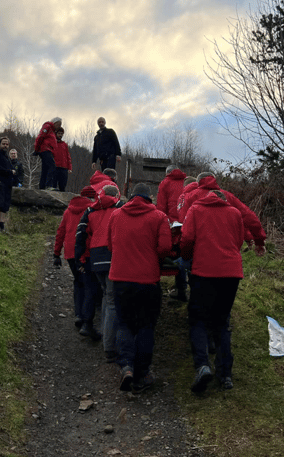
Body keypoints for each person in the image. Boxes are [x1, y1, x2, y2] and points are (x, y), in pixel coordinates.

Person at [180, 190, 250, 392]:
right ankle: (226, 375)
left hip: (204, 271)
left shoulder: (196, 209)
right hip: (231, 273)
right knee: (222, 321)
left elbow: (187, 239)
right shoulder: (235, 213)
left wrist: (187, 257)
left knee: (198, 319)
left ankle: (202, 365)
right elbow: (238, 241)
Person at [107, 183, 172, 393]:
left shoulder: (116, 215)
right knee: (145, 326)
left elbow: (110, 245)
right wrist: (153, 258)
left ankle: (126, 366)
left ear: (131, 196)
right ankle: (142, 373)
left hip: (120, 278)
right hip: (147, 280)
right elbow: (165, 247)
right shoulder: (159, 217)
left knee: (125, 323)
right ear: (149, 198)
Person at [75, 184, 123, 362]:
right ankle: (109, 344)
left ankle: (104, 330)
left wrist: (81, 257)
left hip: (95, 257)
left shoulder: (91, 210)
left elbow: (80, 234)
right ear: (116, 195)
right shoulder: (119, 208)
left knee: (105, 295)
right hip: (112, 255)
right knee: (112, 300)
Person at [179, 173, 267, 256]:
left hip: (199, 249)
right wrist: (259, 241)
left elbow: (184, 225)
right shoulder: (227, 196)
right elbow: (249, 218)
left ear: (197, 183)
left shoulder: (189, 197)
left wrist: (185, 252)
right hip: (228, 248)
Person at [54, 186, 97, 329]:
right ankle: (86, 317)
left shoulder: (68, 211)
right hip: (85, 252)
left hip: (70, 253)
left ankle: (78, 314)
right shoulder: (92, 210)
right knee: (88, 284)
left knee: (78, 282)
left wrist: (56, 253)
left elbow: (61, 232)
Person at [156, 165, 189, 300]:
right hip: (186, 223)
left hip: (171, 225)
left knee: (165, 252)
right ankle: (181, 289)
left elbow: (161, 206)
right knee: (183, 254)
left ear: (167, 173)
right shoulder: (186, 181)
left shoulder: (165, 183)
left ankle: (155, 286)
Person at [34, 117, 62, 190]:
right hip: (45, 150)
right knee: (52, 166)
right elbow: (40, 136)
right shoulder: (47, 126)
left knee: (45, 168)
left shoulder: (52, 131)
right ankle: (48, 185)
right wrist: (36, 149)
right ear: (55, 123)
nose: (59, 127)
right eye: (59, 124)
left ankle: (42, 186)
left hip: (48, 150)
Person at [52, 127, 72, 192]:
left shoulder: (64, 145)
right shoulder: (52, 143)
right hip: (55, 167)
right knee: (53, 186)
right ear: (56, 134)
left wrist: (69, 168)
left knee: (63, 187)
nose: (60, 135)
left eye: (61, 133)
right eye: (59, 133)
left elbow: (68, 156)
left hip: (64, 168)